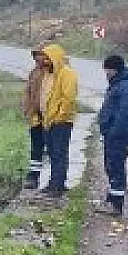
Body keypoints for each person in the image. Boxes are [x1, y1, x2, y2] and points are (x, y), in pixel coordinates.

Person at [97, 54, 128, 216]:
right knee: (110, 166)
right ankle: (112, 198)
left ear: (115, 69)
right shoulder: (117, 84)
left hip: (118, 135)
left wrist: (114, 132)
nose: (106, 73)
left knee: (116, 167)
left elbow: (125, 115)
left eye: (108, 70)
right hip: (112, 134)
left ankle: (116, 206)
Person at [36, 43, 79, 196]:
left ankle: (57, 186)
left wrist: (59, 117)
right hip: (49, 121)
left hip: (61, 122)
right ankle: (54, 183)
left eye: (47, 58)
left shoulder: (67, 73)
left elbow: (68, 98)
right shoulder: (48, 74)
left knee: (59, 153)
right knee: (53, 153)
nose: (44, 61)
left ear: (55, 58)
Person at [21, 45, 48, 189]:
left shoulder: (53, 73)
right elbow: (27, 92)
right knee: (36, 147)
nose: (38, 58)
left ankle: (54, 180)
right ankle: (33, 177)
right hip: (35, 117)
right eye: (36, 55)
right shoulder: (34, 73)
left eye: (41, 55)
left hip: (49, 117)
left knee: (52, 149)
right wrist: (27, 110)